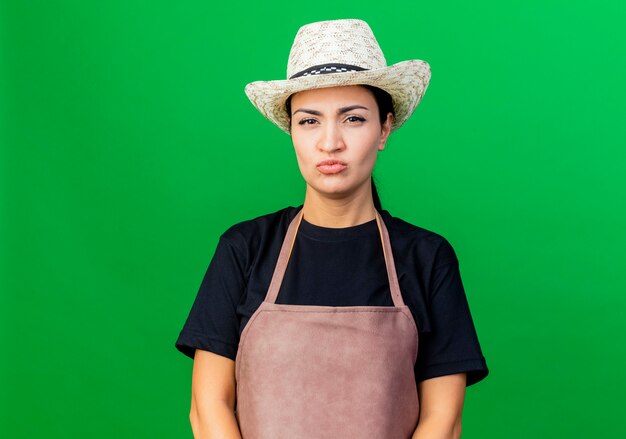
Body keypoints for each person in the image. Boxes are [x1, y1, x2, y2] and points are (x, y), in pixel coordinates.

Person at [175, 18, 488, 439]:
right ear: (291, 131)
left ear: (385, 128)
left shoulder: (427, 257)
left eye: (353, 119)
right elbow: (207, 409)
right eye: (309, 121)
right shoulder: (244, 248)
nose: (330, 142)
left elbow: (442, 422)